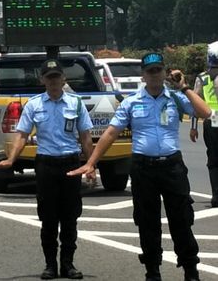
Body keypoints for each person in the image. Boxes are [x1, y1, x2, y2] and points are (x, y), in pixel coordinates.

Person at [69, 52, 211, 281]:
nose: (155, 75)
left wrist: (184, 87)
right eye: (150, 71)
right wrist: (91, 162)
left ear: (165, 73)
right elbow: (111, 133)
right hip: (143, 168)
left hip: (172, 167)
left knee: (182, 219)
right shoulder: (132, 102)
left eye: (158, 70)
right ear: (143, 76)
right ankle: (152, 270)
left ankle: (190, 270)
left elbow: (206, 113)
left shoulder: (175, 98)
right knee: (147, 221)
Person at [0, 58, 92, 279]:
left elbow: (85, 137)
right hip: (46, 164)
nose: (54, 82)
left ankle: (68, 264)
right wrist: (11, 159)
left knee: (70, 217)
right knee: (48, 218)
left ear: (63, 79)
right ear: (43, 80)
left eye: (57, 77)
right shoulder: (34, 104)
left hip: (70, 164)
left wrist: (90, 164)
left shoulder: (76, 104)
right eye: (49, 78)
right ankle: (50, 265)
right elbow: (22, 135)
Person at [190, 41, 218, 207]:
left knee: (214, 159)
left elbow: (194, 104)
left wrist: (193, 127)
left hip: (211, 120)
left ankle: (216, 195)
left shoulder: (203, 78)